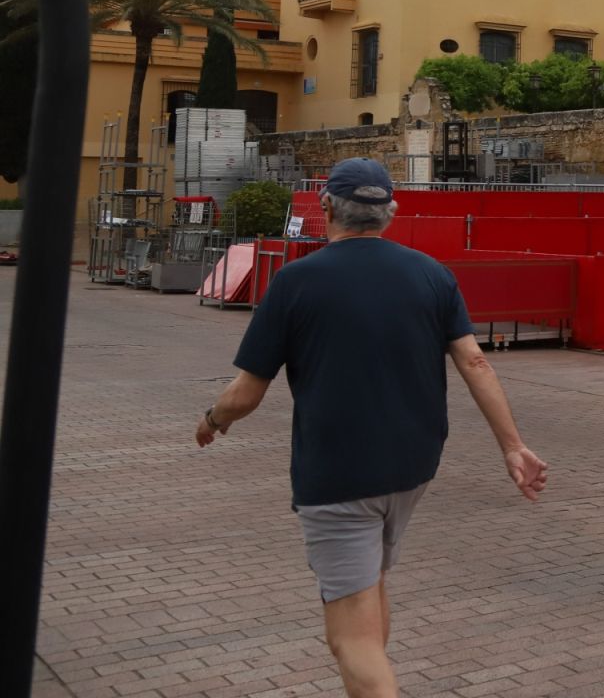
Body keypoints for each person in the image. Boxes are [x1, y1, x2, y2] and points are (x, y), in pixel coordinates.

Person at [194, 159, 547, 698]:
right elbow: (476, 363)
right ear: (390, 214)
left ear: (326, 207)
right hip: (411, 468)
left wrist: (212, 421)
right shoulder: (432, 273)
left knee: (348, 640)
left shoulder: (294, 281)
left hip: (338, 476)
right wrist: (513, 447)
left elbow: (246, 393)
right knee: (370, 589)